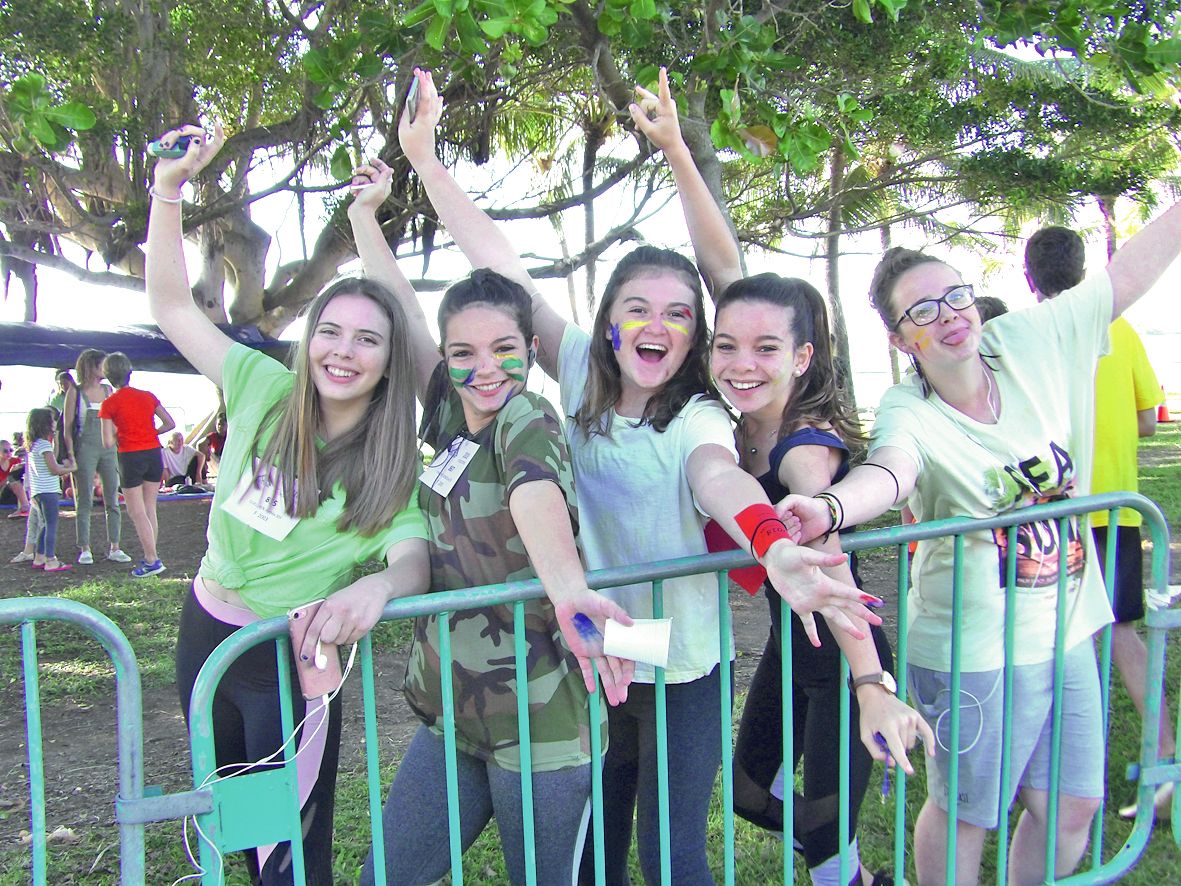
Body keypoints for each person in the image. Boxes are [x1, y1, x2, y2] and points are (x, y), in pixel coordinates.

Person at [399, 68, 882, 886]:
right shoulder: (581, 368)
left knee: (671, 852)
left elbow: (718, 480)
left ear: (694, 334)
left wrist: (768, 541)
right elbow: (501, 264)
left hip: (685, 659)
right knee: (596, 842)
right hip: (598, 641)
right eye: (636, 307)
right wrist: (425, 160)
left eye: (677, 312)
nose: (654, 324)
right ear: (609, 322)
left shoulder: (697, 416)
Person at [775, 199, 1181, 885]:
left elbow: (1127, 274)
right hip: (974, 652)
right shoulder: (910, 407)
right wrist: (830, 506)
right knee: (967, 812)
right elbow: (891, 469)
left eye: (954, 295)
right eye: (922, 311)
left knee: (1072, 805)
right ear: (902, 340)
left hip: (1068, 627)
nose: (948, 314)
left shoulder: (1027, 343)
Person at [146, 122, 431, 885]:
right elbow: (173, 307)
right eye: (329, 331)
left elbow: (412, 559)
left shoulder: (391, 461)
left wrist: (376, 585)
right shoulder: (262, 385)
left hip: (290, 654)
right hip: (206, 628)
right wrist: (169, 192)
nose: (343, 350)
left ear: (387, 361)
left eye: (367, 340)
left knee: (290, 856)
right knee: (239, 824)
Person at [350, 148, 637, 884]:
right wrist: (363, 215)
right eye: (464, 353)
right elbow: (400, 306)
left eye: (503, 349)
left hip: (541, 720)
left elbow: (534, 494)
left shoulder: (527, 416)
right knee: (388, 872)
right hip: (450, 708)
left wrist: (569, 589)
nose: (485, 369)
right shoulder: (448, 404)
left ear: (529, 348)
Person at [1024, 225, 1175, 819]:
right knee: (1119, 633)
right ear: (1085, 267)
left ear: (1030, 276)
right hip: (1116, 510)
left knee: (1050, 638)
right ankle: (1162, 758)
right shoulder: (1124, 328)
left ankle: (1051, 778)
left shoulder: (1030, 333)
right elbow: (1148, 421)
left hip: (1059, 513)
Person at [98, 352, 175, 577]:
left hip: (131, 455)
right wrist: (152, 432)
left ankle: (152, 559)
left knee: (136, 510)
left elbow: (107, 442)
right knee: (150, 507)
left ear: (108, 377)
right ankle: (152, 554)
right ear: (129, 373)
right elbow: (170, 423)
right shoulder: (148, 397)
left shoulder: (109, 404)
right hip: (153, 452)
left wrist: (120, 431)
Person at [64, 349, 130, 565]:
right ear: (90, 366)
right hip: (86, 448)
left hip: (109, 448)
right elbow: (68, 427)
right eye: (101, 365)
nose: (104, 369)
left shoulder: (108, 390)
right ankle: (84, 547)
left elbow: (117, 420)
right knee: (84, 499)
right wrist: (71, 454)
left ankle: (115, 546)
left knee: (112, 496)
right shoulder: (75, 391)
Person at [24, 407, 77, 572]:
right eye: (53, 420)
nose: (55, 422)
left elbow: (50, 462)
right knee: (52, 525)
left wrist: (56, 441)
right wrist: (71, 467)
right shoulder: (44, 445)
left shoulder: (35, 445)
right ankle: (50, 559)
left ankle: (39, 556)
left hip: (39, 491)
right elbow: (54, 469)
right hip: (48, 491)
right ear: (45, 424)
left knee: (46, 524)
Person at [1, 438, 30, 516]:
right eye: (5, 451)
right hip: (3, 494)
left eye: (11, 450)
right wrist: (10, 475)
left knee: (24, 470)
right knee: (12, 477)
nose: (9, 453)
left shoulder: (15, 461)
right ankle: (25, 506)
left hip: (17, 492)